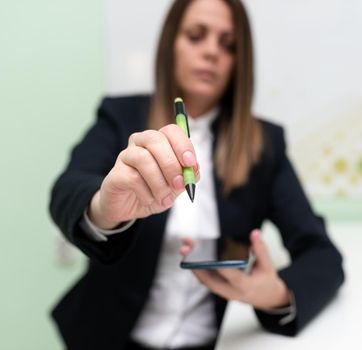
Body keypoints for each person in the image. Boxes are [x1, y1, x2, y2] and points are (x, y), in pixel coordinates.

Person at [49, 0, 345, 349]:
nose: (211, 52)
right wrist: (104, 208)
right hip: (108, 338)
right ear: (170, 43)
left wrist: (274, 293)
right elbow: (68, 188)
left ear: (239, 62)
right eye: (195, 36)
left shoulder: (264, 144)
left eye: (228, 44)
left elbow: (323, 255)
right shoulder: (121, 116)